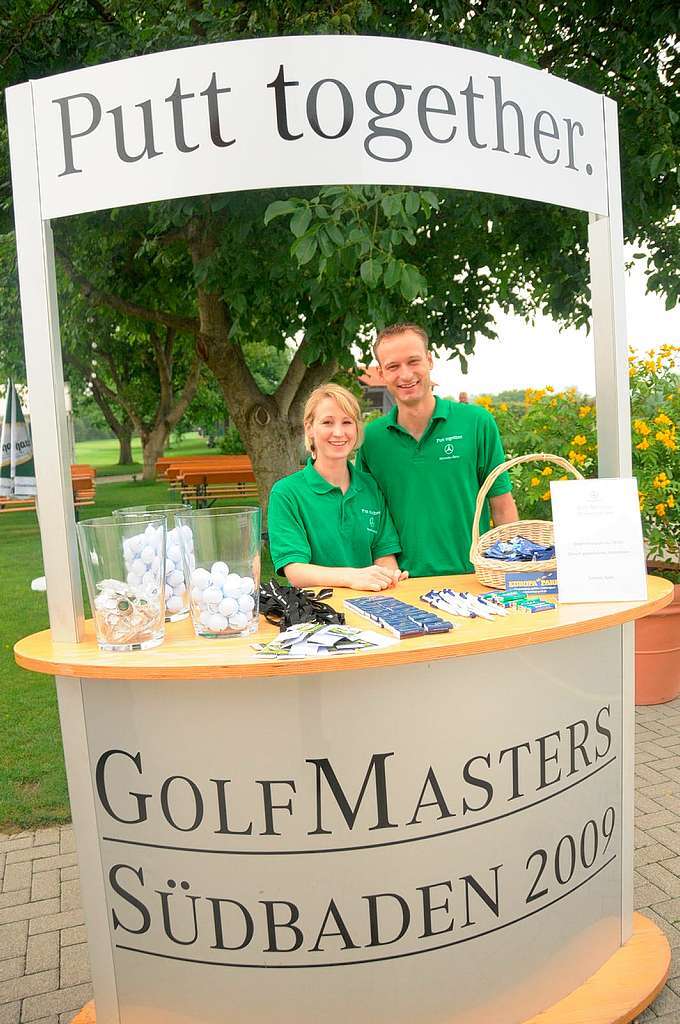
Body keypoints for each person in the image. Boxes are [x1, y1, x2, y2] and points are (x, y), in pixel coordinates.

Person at [356, 323, 518, 577]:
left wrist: (513, 572)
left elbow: (501, 504)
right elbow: (371, 518)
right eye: (393, 366)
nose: (406, 374)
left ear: (429, 361)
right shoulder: (370, 439)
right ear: (382, 372)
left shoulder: (476, 423)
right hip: (402, 584)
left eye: (413, 361)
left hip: (473, 579)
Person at [268, 383, 408, 591]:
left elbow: (383, 553)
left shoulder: (370, 486)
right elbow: (295, 571)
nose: (338, 432)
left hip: (373, 608)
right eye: (327, 422)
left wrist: (389, 576)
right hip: (319, 614)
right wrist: (352, 577)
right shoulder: (286, 493)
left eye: (347, 422)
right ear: (309, 428)